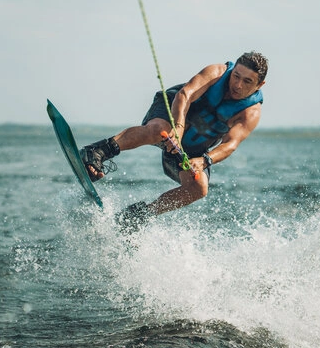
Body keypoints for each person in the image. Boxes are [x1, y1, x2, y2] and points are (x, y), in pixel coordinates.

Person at [80, 51, 268, 233]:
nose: (238, 84)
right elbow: (184, 94)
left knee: (199, 188)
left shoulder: (250, 113)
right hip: (172, 110)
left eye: (247, 81)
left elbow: (230, 144)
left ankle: (139, 215)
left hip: (192, 145)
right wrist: (178, 126)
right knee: (159, 131)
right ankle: (97, 151)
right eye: (236, 76)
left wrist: (204, 161)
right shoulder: (216, 73)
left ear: (260, 85)